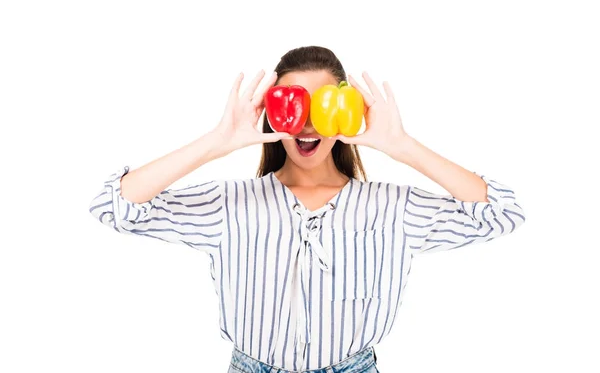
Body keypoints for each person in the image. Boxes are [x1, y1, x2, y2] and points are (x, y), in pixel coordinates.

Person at [88, 46, 526, 373]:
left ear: (347, 112)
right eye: (290, 104)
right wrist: (215, 144)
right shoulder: (231, 204)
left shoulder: (391, 208)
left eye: (324, 106)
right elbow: (115, 206)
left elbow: (502, 212)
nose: (307, 122)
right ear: (272, 114)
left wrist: (403, 147)